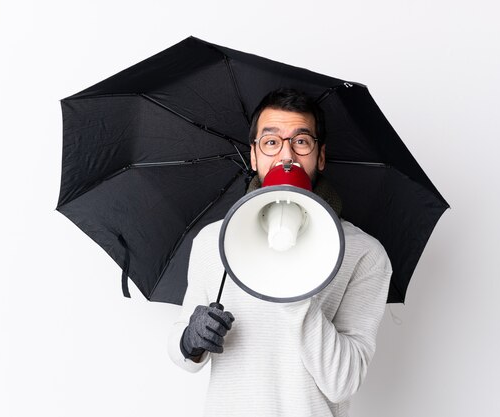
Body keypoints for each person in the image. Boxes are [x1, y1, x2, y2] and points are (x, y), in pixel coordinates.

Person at [168, 88, 392, 417]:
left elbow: (343, 381)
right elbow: (183, 356)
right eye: (271, 142)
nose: (286, 156)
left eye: (301, 142)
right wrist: (190, 339)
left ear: (321, 156)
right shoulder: (213, 241)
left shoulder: (363, 253)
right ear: (254, 156)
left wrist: (296, 288)